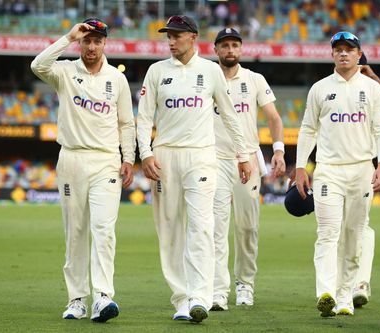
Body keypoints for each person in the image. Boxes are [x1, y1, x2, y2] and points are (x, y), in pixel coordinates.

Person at [136, 15, 251, 323]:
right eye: (168, 36)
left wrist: (242, 155)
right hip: (165, 157)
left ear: (193, 37)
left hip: (201, 156)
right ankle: (182, 298)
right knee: (170, 229)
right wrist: (145, 154)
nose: (170, 41)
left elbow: (230, 116)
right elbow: (144, 117)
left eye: (176, 35)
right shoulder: (157, 71)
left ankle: (200, 296)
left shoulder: (211, 71)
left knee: (201, 225)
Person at [30, 18, 136, 323]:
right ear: (81, 43)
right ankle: (76, 299)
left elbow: (126, 123)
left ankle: (103, 298)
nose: (91, 46)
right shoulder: (64, 71)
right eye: (86, 41)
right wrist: (68, 36)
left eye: (97, 41)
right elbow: (38, 66)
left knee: (103, 230)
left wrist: (128, 158)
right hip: (72, 159)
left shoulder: (116, 80)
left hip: (106, 161)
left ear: (105, 44)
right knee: (75, 232)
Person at [295, 31, 380, 317]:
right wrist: (300, 166)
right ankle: (325, 292)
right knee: (327, 233)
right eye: (338, 49)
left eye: (349, 49)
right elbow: (307, 129)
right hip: (328, 171)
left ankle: (346, 295)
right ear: (332, 54)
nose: (344, 53)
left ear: (359, 55)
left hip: (362, 169)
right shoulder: (320, 88)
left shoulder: (372, 89)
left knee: (354, 235)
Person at [211, 28, 286, 310]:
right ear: (216, 49)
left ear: (240, 49)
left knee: (247, 227)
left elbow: (274, 118)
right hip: (214, 159)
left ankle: (245, 284)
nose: (230, 50)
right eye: (225, 46)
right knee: (216, 227)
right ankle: (218, 290)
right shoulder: (206, 77)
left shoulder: (254, 79)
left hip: (248, 161)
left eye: (234, 45)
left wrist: (278, 150)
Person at [352, 64, 380, 308]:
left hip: (363, 167)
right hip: (335, 170)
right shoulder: (326, 89)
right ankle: (341, 285)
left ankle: (359, 284)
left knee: (361, 227)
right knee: (335, 231)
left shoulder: (371, 91)